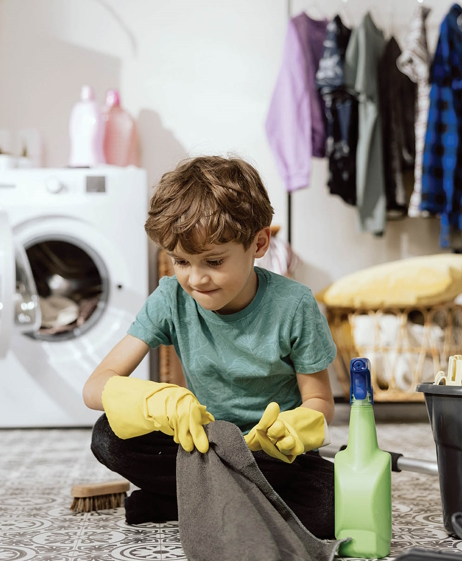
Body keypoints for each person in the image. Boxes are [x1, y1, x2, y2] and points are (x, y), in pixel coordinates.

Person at [82, 155, 338, 538]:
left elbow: (320, 402)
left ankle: (182, 500)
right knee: (108, 436)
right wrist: (156, 402)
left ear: (258, 243)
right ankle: (225, 499)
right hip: (203, 445)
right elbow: (95, 387)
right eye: (180, 260)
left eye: (214, 261)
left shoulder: (295, 304)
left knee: (329, 508)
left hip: (273, 455)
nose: (196, 278)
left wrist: (297, 426)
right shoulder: (171, 297)